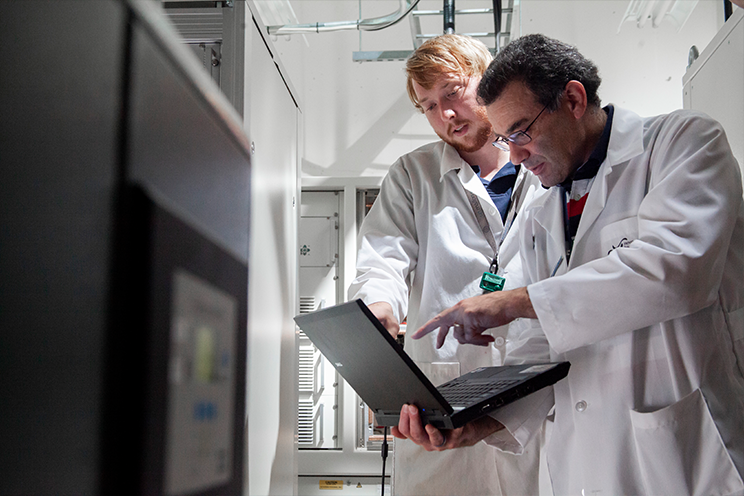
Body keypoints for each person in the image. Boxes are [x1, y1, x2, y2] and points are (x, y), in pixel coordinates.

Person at [411, 33, 744, 495]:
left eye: (522, 132)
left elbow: (678, 270)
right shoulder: (542, 211)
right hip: (581, 464)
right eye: (507, 139)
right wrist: (479, 424)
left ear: (572, 98)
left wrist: (516, 301)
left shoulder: (681, 142)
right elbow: (540, 349)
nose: (515, 156)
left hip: (684, 451)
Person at [347, 34, 548, 496]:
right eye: (429, 106)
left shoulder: (544, 166)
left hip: (535, 394)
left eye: (453, 93)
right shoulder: (411, 174)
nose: (446, 116)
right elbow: (383, 256)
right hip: (441, 392)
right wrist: (379, 306)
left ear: (489, 78)